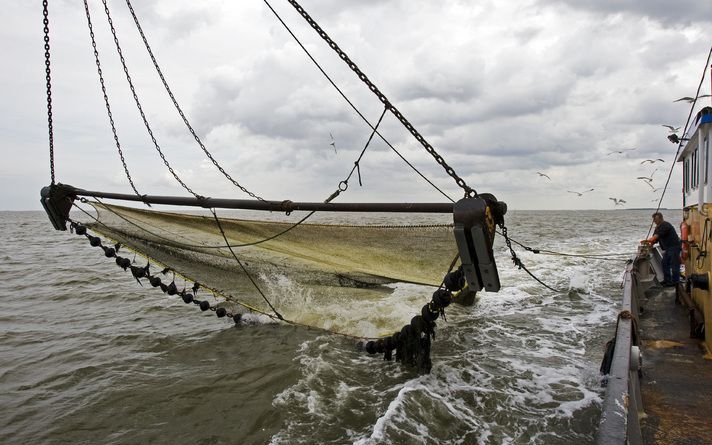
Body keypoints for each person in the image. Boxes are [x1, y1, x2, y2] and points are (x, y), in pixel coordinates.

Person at [643, 212, 681, 286]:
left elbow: (657, 236)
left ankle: (675, 282)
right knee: (664, 263)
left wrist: (649, 240)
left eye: (656, 219)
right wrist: (650, 244)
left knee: (674, 265)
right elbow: (655, 239)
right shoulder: (658, 227)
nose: (654, 221)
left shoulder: (665, 225)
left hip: (674, 247)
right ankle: (667, 281)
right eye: (653, 219)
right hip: (668, 249)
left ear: (661, 218)